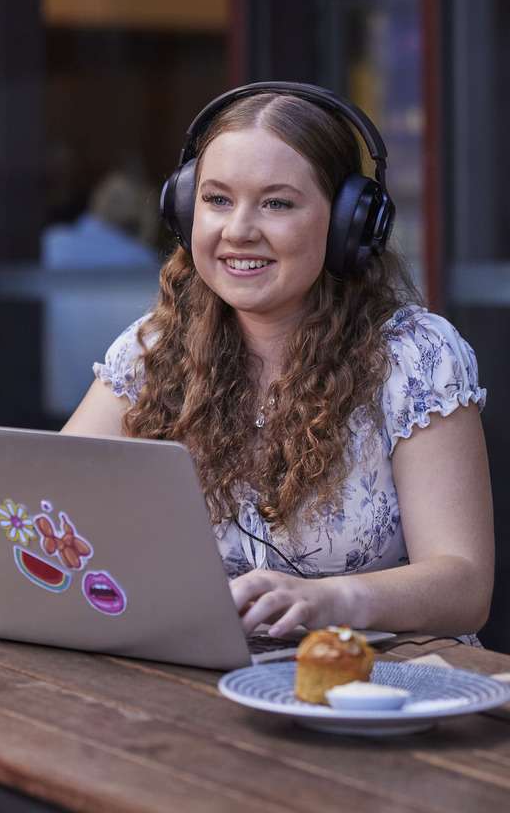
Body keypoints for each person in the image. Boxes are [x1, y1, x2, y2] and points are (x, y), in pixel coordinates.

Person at [62, 82, 494, 643]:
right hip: (206, 683)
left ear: (349, 224)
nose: (239, 230)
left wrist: (327, 601)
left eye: (276, 203)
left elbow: (464, 587)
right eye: (217, 200)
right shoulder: (155, 348)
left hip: (386, 690)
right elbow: (54, 504)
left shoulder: (417, 356)